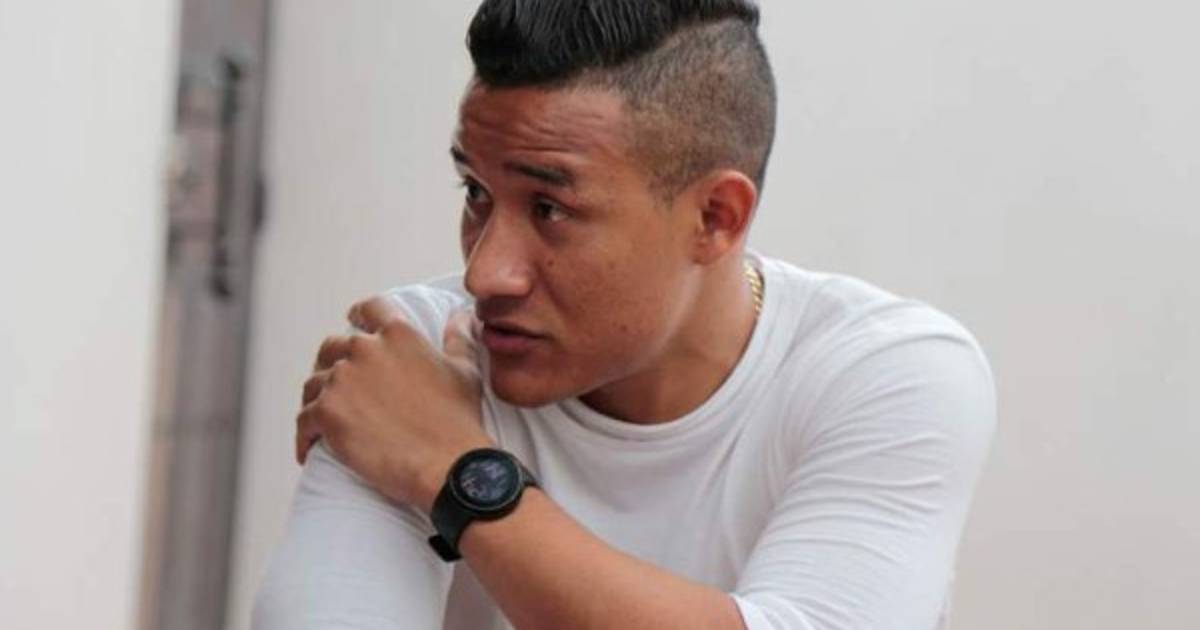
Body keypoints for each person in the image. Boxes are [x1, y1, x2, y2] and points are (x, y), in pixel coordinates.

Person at [252, 1, 996, 628]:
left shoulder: (886, 372)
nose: (485, 272)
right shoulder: (413, 359)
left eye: (550, 208)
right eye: (476, 192)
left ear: (716, 217)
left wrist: (458, 472)